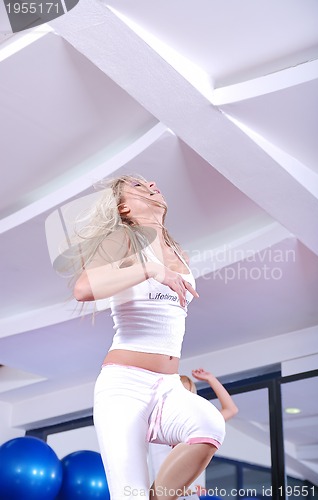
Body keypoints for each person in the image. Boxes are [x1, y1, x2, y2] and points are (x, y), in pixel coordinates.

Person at [70, 175, 226, 500]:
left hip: (169, 387)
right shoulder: (123, 239)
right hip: (125, 387)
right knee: (130, 494)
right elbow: (83, 288)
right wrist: (151, 270)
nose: (152, 184)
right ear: (123, 207)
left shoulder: (178, 251)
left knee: (209, 425)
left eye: (150, 183)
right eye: (138, 186)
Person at [149, 369, 238, 498]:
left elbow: (231, 409)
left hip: (189, 495)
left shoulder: (196, 425)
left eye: (189, 394)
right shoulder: (157, 422)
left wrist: (210, 379)